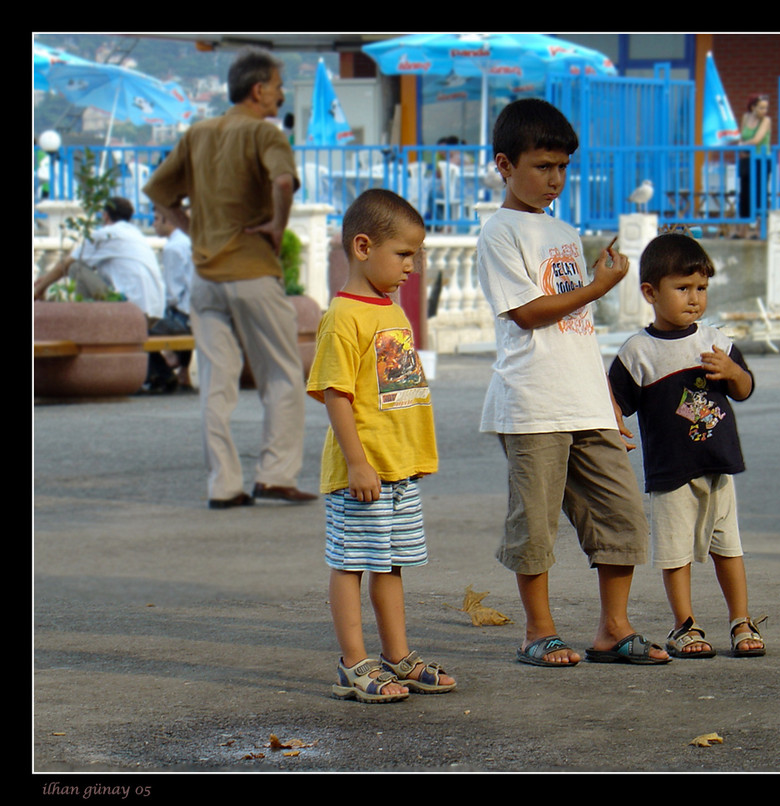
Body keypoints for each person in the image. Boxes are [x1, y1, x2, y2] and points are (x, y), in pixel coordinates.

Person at [477, 97, 669, 667]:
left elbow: (577, 332)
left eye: (562, 166)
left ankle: (614, 628)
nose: (554, 178)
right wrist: (600, 286)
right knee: (533, 526)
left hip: (584, 399)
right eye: (542, 166)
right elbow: (531, 313)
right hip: (532, 402)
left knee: (622, 515)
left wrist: (607, 401)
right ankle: (538, 630)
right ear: (505, 165)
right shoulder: (499, 232)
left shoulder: (562, 229)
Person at [143, 47, 317, 509]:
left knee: (215, 384)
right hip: (253, 270)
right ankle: (275, 474)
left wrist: (194, 229)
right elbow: (282, 183)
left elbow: (160, 195)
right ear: (259, 90)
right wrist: (277, 228)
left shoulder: (197, 133)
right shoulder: (266, 134)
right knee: (281, 374)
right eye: (278, 89)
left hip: (206, 276)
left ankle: (224, 485)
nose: (281, 98)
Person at [307, 189, 456, 703]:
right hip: (364, 472)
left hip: (398, 469)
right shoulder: (343, 317)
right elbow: (336, 393)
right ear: (364, 246)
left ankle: (398, 656)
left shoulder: (390, 311)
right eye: (404, 254)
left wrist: (409, 458)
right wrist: (357, 463)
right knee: (351, 563)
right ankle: (353, 664)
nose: (411, 266)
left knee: (391, 562)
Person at [608, 233, 765, 659]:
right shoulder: (639, 352)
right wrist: (614, 429)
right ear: (650, 293)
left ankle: (741, 619)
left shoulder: (715, 341)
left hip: (717, 467)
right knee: (675, 553)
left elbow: (746, 389)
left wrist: (732, 370)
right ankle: (685, 625)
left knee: (729, 548)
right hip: (671, 473)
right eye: (682, 288)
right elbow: (612, 399)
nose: (694, 299)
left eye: (701, 288)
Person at [33, 196, 165, 321]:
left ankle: (86, 320)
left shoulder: (106, 234)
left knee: (76, 267)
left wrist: (40, 289)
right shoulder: (136, 234)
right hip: (156, 311)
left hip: (132, 312)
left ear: (105, 215)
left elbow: (67, 263)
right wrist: (46, 279)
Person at [147, 204, 195, 391]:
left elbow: (173, 295)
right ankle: (182, 370)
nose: (153, 224)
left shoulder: (173, 248)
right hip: (197, 315)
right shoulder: (189, 241)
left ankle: (162, 373)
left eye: (157, 219)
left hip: (184, 319)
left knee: (135, 330)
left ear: (168, 220)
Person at [737, 95, 772, 238]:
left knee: (759, 193)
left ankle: (758, 230)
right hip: (747, 160)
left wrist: (742, 146)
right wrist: (742, 148)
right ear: (753, 107)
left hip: (760, 160)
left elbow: (757, 139)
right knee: (745, 194)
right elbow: (741, 136)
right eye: (761, 107)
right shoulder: (745, 117)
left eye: (766, 108)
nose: (764, 111)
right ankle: (742, 230)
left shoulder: (766, 120)